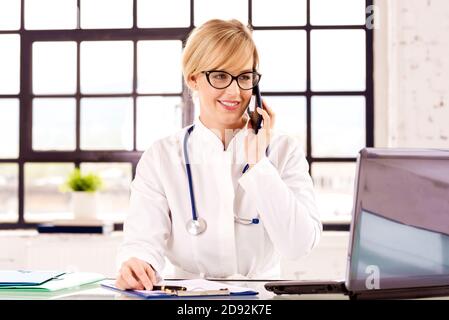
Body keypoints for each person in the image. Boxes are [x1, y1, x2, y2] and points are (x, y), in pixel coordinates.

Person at [115, 19, 322, 290]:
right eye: (221, 76)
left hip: (260, 299)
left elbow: (298, 245)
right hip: (187, 299)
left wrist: (259, 164)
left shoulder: (283, 151)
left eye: (245, 77)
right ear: (193, 78)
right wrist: (138, 263)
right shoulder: (161, 156)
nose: (235, 91)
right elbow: (142, 240)